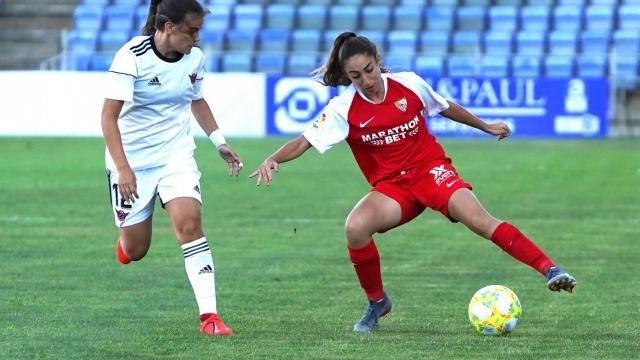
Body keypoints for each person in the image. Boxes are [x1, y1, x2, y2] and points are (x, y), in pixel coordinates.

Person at [250, 32, 577, 333]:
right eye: (355, 76)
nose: (366, 80)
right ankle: (377, 303)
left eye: (369, 69)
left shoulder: (408, 84)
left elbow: (445, 107)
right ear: (347, 77)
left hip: (431, 172)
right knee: (355, 228)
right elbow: (305, 140)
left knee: (479, 220)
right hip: (393, 189)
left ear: (377, 60)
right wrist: (273, 158)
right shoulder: (343, 108)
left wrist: (484, 126)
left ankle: (551, 269)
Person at [101, 0, 243, 336]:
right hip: (131, 161)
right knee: (136, 249)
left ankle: (209, 317)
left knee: (190, 225)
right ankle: (125, 244)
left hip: (175, 156)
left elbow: (196, 98)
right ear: (168, 27)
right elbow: (108, 118)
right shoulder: (131, 56)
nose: (197, 38)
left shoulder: (195, 58)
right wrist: (123, 169)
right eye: (191, 31)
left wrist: (219, 141)